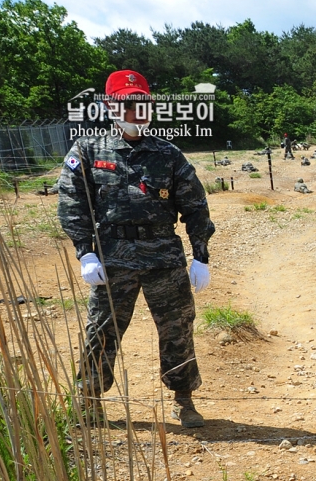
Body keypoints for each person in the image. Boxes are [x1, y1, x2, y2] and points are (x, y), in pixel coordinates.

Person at [58, 69, 215, 428]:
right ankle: (89, 400)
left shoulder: (168, 154)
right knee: (102, 329)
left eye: (142, 104)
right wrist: (85, 251)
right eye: (127, 104)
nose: (135, 112)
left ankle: (184, 400)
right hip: (111, 256)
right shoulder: (87, 149)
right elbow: (72, 202)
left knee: (177, 328)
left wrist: (200, 254)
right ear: (110, 106)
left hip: (163, 256)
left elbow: (195, 205)